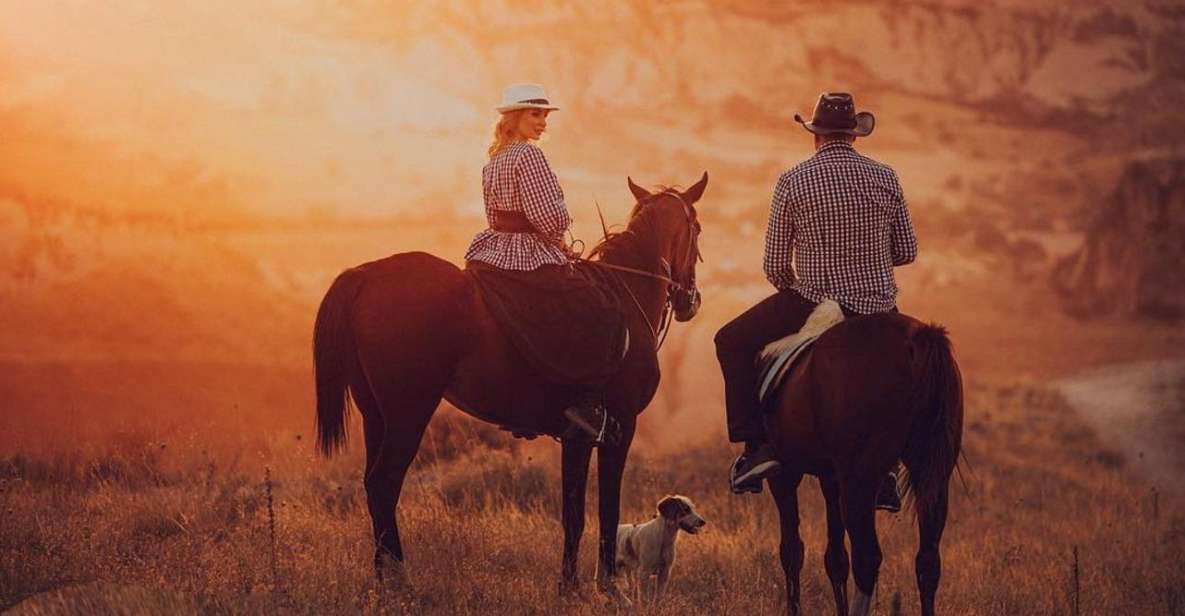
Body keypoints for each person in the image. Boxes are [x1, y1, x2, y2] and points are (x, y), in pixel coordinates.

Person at [715, 92, 917, 509]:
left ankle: (755, 450)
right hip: (879, 306)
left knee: (730, 341)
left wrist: (800, 282)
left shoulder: (794, 180)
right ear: (854, 136)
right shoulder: (887, 176)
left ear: (816, 136)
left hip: (813, 302)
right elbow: (907, 251)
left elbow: (773, 264)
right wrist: (869, 260)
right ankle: (888, 471)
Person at [464, 83, 616, 444]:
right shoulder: (529, 156)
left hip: (494, 251)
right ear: (514, 118)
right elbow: (549, 218)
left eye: (545, 115)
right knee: (597, 307)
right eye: (536, 114)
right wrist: (560, 234)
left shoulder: (495, 160)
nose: (543, 122)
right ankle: (587, 403)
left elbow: (492, 216)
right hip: (529, 253)